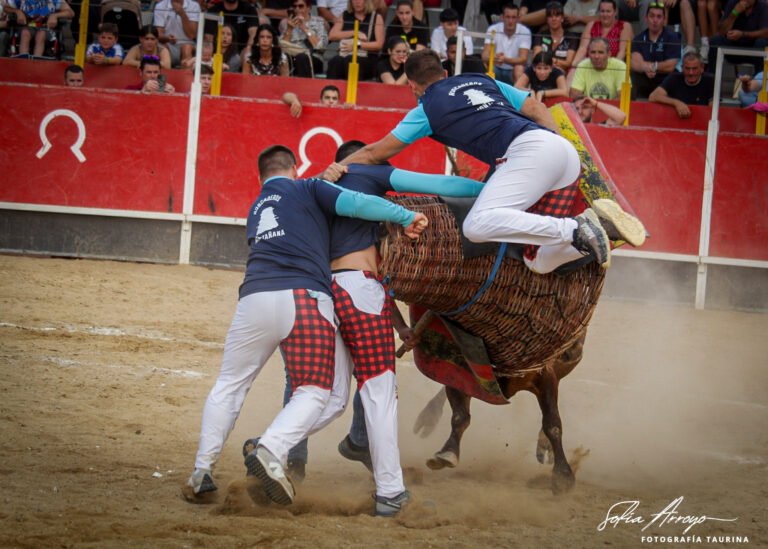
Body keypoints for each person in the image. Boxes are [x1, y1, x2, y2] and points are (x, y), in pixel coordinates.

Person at [184, 145, 428, 513]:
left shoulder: (257, 208)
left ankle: (204, 470)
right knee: (351, 392)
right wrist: (404, 215)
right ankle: (389, 490)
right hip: (314, 298)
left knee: (244, 386)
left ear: (260, 176)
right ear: (295, 169)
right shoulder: (310, 189)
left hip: (255, 298)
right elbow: (360, 205)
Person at [280, 139, 486, 503]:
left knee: (327, 394)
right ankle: (390, 491)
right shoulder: (371, 173)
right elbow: (445, 186)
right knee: (379, 391)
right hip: (360, 289)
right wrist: (492, 188)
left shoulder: (316, 187)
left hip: (318, 295)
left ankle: (272, 447)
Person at [324, 49, 648, 275]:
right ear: (446, 73)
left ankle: (576, 227)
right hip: (561, 151)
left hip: (528, 152)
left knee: (477, 225)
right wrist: (552, 146)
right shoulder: (483, 80)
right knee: (537, 260)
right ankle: (588, 235)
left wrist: (335, 169)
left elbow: (373, 154)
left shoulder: (425, 108)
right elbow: (535, 108)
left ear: (412, 86)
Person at [629, 3, 682, 99]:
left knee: (675, 76)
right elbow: (634, 63)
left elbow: (670, 66)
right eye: (652, 16)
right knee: (633, 75)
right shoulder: (638, 38)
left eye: (659, 17)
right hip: (646, 77)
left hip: (665, 80)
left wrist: (653, 66)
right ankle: (635, 107)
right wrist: (647, 67)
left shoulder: (673, 37)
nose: (655, 20)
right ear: (646, 18)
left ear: (664, 20)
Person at [326, 0, 385, 81]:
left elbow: (379, 44)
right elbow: (332, 35)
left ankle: (355, 92)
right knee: (335, 61)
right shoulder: (345, 15)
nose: (357, 2)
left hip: (368, 57)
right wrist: (355, 32)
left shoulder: (376, 17)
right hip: (346, 55)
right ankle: (330, 91)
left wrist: (357, 45)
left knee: (350, 60)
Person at [706, 0, 768, 73]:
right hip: (734, 47)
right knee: (715, 40)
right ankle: (712, 78)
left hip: (754, 51)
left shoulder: (763, 6)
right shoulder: (732, 3)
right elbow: (721, 32)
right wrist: (734, 13)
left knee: (761, 43)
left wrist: (743, 34)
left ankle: (759, 81)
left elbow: (765, 33)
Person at [649, 52, 715, 117]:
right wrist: (676, 103)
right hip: (675, 119)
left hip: (701, 119)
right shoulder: (674, 78)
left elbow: (713, 109)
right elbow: (653, 97)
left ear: (702, 68)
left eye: (694, 68)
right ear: (682, 68)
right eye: (687, 68)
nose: (691, 73)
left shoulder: (710, 80)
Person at [571, 0, 633, 68]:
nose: (605, 14)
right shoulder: (591, 25)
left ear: (615, 12)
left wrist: (612, 68)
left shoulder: (624, 26)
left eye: (608, 11)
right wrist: (575, 65)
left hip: (613, 67)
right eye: (602, 11)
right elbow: (582, 48)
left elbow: (622, 52)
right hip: (590, 65)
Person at [482, 3, 532, 84]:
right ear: (502, 17)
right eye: (508, 17)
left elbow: (523, 59)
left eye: (513, 17)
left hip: (513, 70)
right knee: (486, 65)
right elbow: (484, 55)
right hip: (495, 68)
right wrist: (494, 57)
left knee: (519, 68)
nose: (510, 21)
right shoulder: (493, 29)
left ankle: (517, 95)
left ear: (518, 18)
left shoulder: (525, 31)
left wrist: (505, 59)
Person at [4, 0, 74, 58]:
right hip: (26, 27)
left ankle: (37, 59)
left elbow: (70, 13)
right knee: (25, 33)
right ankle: (23, 59)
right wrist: (18, 12)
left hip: (46, 28)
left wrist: (55, 15)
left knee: (41, 34)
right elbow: (6, 8)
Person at [279, 0, 327, 78]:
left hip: (313, 57)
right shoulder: (288, 23)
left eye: (301, 6)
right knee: (284, 59)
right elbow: (282, 47)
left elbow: (321, 47)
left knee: (301, 57)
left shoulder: (319, 22)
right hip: (292, 57)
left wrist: (305, 28)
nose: (297, 9)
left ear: (309, 8)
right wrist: (289, 29)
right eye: (295, 6)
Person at [533, 1, 580, 74]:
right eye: (550, 16)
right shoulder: (541, 35)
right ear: (547, 19)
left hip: (562, 73)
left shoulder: (571, 38)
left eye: (557, 15)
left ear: (562, 18)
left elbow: (568, 63)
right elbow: (536, 58)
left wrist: (552, 61)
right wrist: (555, 63)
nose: (553, 19)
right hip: (542, 72)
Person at [153, 0, 200, 67]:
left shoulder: (194, 6)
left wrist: (182, 14)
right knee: (161, 48)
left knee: (187, 48)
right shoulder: (160, 6)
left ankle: (185, 75)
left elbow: (191, 35)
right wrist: (168, 39)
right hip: (168, 44)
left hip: (188, 43)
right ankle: (163, 75)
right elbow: (158, 34)